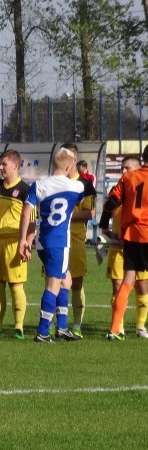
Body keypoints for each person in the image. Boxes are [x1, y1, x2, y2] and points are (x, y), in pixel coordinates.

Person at [18, 146, 87, 342]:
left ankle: (62, 327)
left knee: (67, 280)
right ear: (69, 166)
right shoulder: (76, 187)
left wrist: (23, 239)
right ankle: (42, 331)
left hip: (42, 240)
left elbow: (26, 213)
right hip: (59, 242)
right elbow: (80, 196)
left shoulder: (39, 185)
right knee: (53, 285)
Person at [100, 144, 148, 341]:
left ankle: (114, 330)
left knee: (128, 281)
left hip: (132, 235)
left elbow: (111, 203)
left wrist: (104, 225)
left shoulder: (128, 178)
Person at [0, 150, 32, 339]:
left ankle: (18, 327)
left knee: (16, 285)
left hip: (14, 243)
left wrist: (27, 243)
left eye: (4, 164)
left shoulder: (26, 191)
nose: (0, 167)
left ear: (16, 166)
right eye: (0, 164)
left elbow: (32, 222)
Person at [60, 143, 96, 337]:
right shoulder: (55, 181)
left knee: (76, 283)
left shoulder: (85, 185)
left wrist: (65, 216)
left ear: (74, 160)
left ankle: (76, 325)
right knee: (54, 282)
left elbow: (90, 213)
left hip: (76, 240)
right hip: (56, 240)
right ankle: (56, 323)